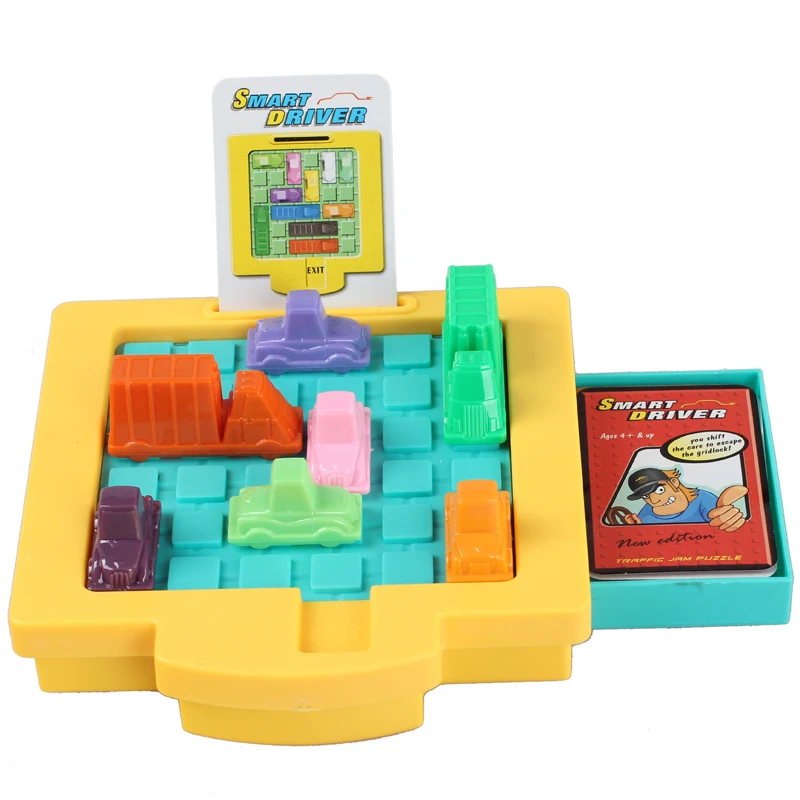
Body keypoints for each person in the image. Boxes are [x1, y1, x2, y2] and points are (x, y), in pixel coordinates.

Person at [622, 467, 746, 532]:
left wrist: (728, 521)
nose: (654, 501)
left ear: (674, 483)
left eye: (660, 490)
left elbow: (720, 519)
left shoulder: (702, 499)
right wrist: (635, 529)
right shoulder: (646, 512)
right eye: (645, 496)